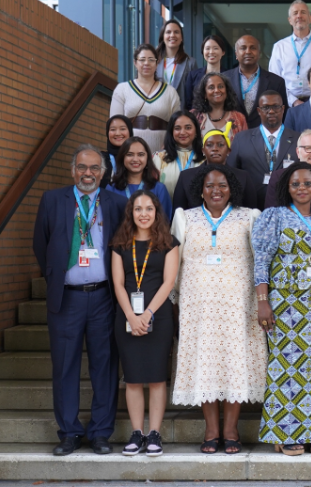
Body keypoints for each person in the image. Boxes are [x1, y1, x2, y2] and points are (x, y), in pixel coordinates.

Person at [32, 144, 128, 456]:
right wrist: (56, 278)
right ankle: (70, 433)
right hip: (67, 299)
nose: (88, 173)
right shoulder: (52, 200)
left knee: (105, 366)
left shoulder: (116, 201)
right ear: (73, 171)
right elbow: (40, 244)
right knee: (64, 367)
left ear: (103, 172)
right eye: (82, 168)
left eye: (95, 168)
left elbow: (124, 246)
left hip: (103, 298)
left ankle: (100, 432)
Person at [170, 164, 266, 454]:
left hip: (238, 308)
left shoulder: (249, 217)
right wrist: (173, 301)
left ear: (232, 189)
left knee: (233, 364)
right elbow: (175, 264)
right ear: (200, 189)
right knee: (205, 365)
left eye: (222, 185)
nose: (216, 191)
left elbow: (260, 261)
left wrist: (263, 301)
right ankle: (211, 429)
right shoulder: (184, 218)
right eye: (210, 185)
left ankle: (230, 429)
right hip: (198, 308)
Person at [252, 162, 311, 455]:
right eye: (295, 184)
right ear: (286, 188)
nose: (302, 189)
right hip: (285, 303)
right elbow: (262, 261)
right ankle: (286, 432)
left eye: (307, 183)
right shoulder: (274, 217)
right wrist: (263, 303)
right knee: (285, 368)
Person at [110, 190, 179, 457]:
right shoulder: (120, 244)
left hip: (158, 317)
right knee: (134, 379)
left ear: (156, 212)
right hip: (126, 317)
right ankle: (137, 433)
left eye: (148, 209)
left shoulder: (169, 243)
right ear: (131, 213)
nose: (143, 214)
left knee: (157, 378)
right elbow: (117, 283)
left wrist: (147, 313)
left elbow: (168, 282)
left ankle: (154, 434)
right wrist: (130, 315)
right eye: (138, 209)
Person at [227, 90, 300, 207]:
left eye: (276, 107)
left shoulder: (298, 139)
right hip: (250, 205)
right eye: (265, 107)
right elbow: (231, 173)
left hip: (287, 206)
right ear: (258, 111)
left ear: (283, 109)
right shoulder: (241, 139)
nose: (271, 111)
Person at [110, 44, 182, 154]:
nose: (146, 63)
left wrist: (169, 146)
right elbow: (115, 125)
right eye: (142, 59)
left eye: (151, 60)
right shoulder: (122, 89)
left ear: (157, 63)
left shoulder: (170, 92)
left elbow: (177, 125)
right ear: (135, 63)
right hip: (130, 153)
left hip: (163, 153)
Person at [269, 0, 311, 106]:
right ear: (290, 20)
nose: (299, 16)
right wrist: (294, 101)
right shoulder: (279, 47)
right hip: (287, 104)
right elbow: (274, 80)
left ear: (310, 18)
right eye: (295, 13)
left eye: (303, 12)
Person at [173, 130, 258, 211]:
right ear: (203, 150)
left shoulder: (243, 177)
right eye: (209, 145)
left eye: (220, 145)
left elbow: (251, 212)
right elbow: (178, 213)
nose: (215, 149)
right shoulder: (186, 177)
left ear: (229, 151)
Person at [222, 35, 289, 129]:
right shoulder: (223, 79)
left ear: (259, 53)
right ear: (236, 54)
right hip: (232, 134)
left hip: (263, 136)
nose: (248, 51)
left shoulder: (276, 82)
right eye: (243, 48)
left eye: (253, 48)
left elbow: (283, 114)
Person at [106, 137, 173, 220]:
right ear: (122, 158)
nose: (135, 159)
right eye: (130, 154)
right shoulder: (111, 188)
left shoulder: (159, 189)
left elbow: (164, 222)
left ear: (147, 159)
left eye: (140, 155)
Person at [153, 111, 205, 197]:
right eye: (177, 128)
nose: (183, 132)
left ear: (196, 131)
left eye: (188, 128)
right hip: (165, 209)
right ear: (171, 131)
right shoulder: (158, 157)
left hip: (196, 209)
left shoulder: (205, 157)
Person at [190, 71, 250, 142]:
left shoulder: (240, 118)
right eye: (211, 87)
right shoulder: (193, 116)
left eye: (220, 86)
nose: (217, 90)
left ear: (227, 91)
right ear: (204, 94)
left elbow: (245, 147)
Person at [156, 20, 197, 108]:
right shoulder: (154, 61)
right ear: (163, 37)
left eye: (176, 32)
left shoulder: (190, 63)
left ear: (181, 38)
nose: (172, 35)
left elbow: (194, 95)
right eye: (168, 32)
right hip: (157, 113)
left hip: (180, 115)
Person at [183, 34, 229, 112]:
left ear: (223, 52)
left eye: (215, 48)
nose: (211, 52)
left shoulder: (229, 75)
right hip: (198, 120)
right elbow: (188, 104)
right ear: (203, 52)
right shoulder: (192, 75)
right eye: (207, 48)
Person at [101, 115, 133, 189]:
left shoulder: (137, 159)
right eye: (113, 129)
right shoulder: (100, 159)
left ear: (130, 132)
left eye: (122, 129)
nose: (118, 133)